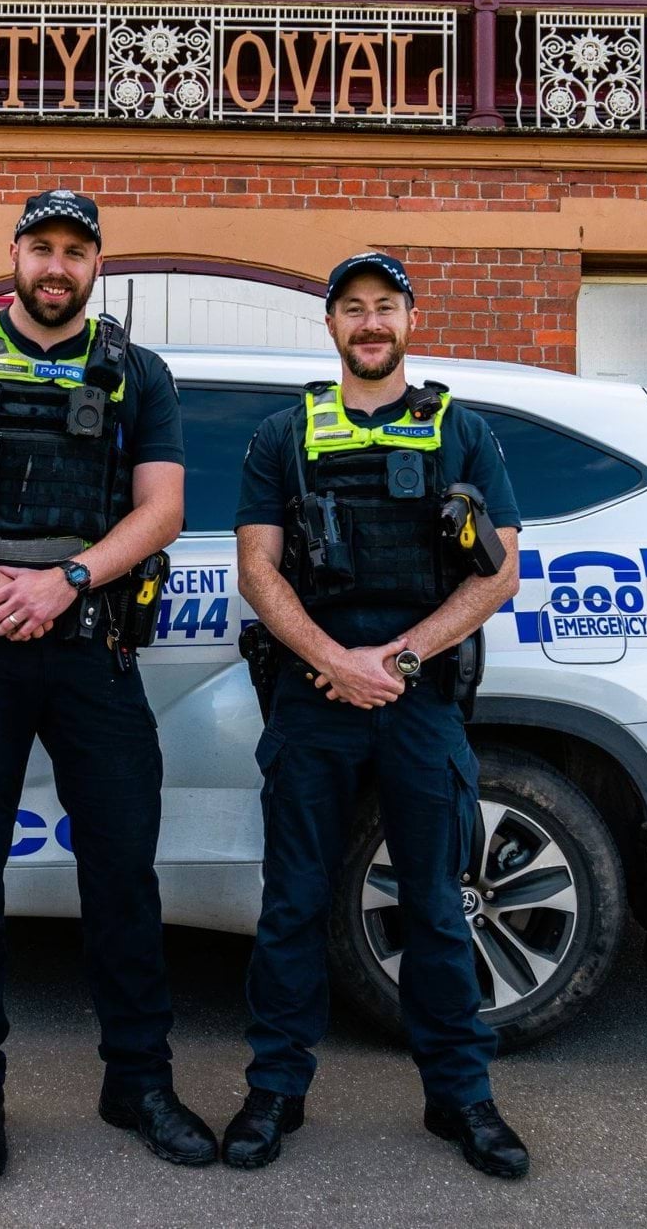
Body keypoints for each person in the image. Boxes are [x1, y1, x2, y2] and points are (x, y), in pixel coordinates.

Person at [0, 189, 218, 1184]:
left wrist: (65, 579)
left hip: (91, 641)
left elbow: (162, 508)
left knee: (123, 873)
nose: (57, 265)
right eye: (41, 247)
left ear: (95, 263)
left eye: (75, 250)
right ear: (15, 254)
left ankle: (137, 1082)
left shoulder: (136, 372)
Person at [222, 251, 530, 1178]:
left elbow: (500, 573)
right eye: (351, 308)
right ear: (331, 325)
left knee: (437, 905)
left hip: (417, 696)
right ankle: (276, 1090)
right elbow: (257, 567)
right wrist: (333, 661)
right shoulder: (282, 436)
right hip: (313, 698)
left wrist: (393, 662)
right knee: (292, 904)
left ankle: (461, 1098)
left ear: (408, 319)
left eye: (384, 306)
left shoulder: (462, 432)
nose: (369, 323)